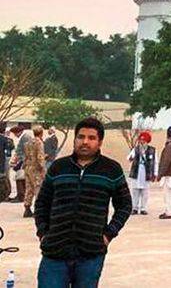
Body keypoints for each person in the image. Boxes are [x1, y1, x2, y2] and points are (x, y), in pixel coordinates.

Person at [35, 117, 132, 287]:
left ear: (100, 142)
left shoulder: (111, 170)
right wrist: (43, 233)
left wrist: (109, 234)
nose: (85, 142)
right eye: (81, 137)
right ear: (75, 139)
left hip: (91, 253)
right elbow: (42, 202)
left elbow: (125, 205)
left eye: (91, 138)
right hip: (55, 252)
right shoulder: (58, 167)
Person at [127, 131, 157, 215]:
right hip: (136, 171)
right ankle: (135, 208)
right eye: (141, 140)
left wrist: (155, 173)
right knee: (135, 190)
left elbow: (155, 162)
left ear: (147, 141)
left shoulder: (152, 150)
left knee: (145, 191)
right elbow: (129, 157)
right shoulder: (136, 149)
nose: (142, 142)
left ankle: (143, 208)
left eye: (144, 140)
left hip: (146, 172)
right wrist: (131, 157)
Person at [23, 125, 46, 218]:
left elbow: (26, 156)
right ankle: (38, 210)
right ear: (41, 133)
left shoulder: (28, 142)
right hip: (36, 169)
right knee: (38, 189)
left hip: (28, 168)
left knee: (29, 189)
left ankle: (27, 209)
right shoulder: (39, 142)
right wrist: (43, 168)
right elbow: (40, 157)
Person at [9, 126, 29, 203]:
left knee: (19, 177)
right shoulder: (24, 137)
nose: (14, 135)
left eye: (14, 133)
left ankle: (21, 196)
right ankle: (22, 196)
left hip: (24, 160)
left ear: (18, 132)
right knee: (21, 178)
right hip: (22, 160)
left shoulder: (25, 137)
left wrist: (19, 162)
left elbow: (25, 151)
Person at [0, 122, 14, 203]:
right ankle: (4, 195)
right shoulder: (5, 139)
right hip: (2, 163)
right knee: (4, 180)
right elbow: (9, 149)